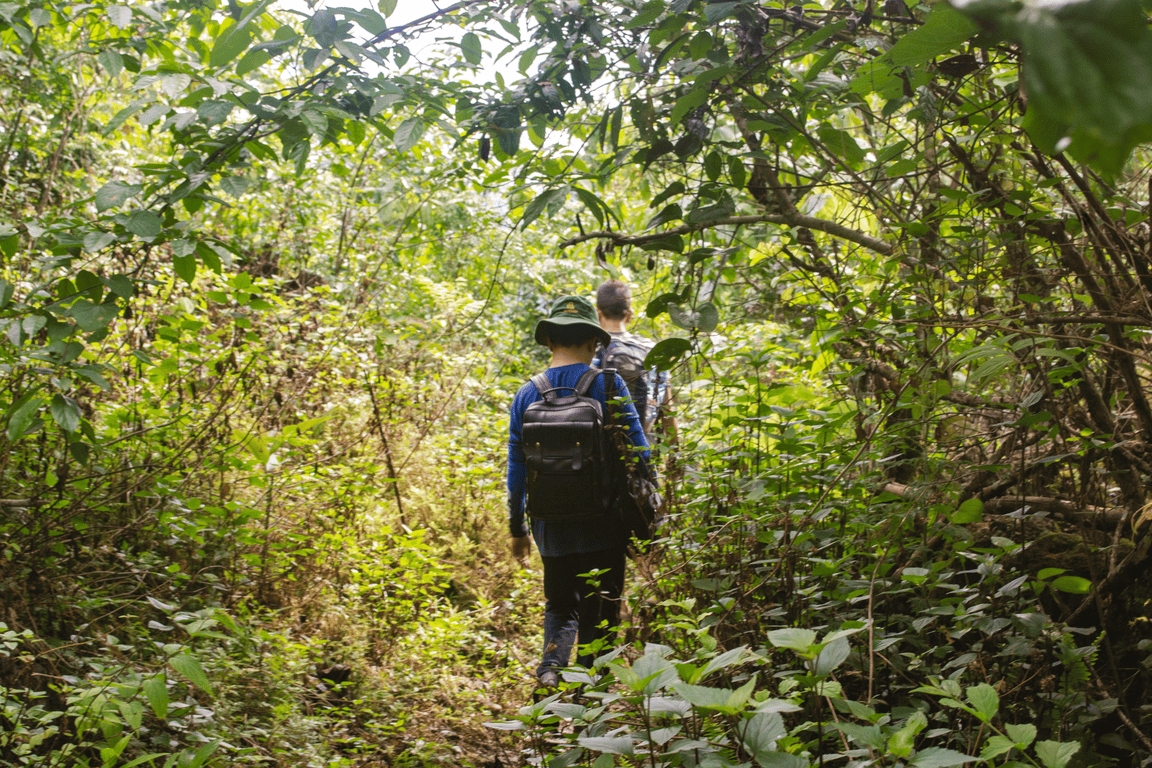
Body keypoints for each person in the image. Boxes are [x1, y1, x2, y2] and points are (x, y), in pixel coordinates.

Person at [506, 294, 651, 690]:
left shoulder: (526, 394)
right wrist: (646, 517)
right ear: (593, 342)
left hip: (549, 525)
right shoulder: (608, 384)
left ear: (550, 341)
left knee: (560, 606)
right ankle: (589, 697)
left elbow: (516, 469)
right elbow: (640, 454)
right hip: (603, 523)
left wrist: (518, 529)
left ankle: (550, 672)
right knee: (600, 613)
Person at [594, 280, 677, 445]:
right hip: (642, 446)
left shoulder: (589, 349)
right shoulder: (651, 350)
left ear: (598, 313)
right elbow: (667, 409)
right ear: (630, 314)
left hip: (599, 448)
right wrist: (675, 452)